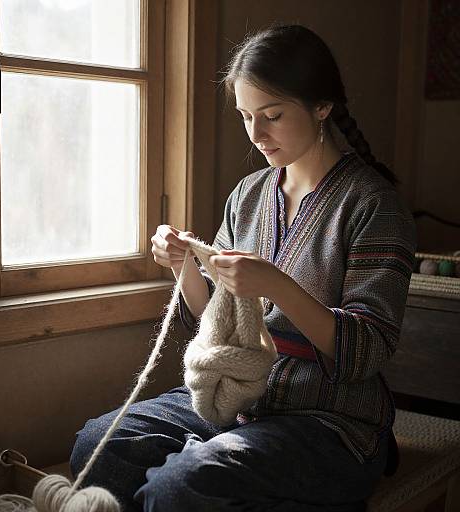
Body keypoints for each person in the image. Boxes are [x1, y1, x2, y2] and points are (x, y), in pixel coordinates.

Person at [70, 24, 416, 511]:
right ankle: (207, 460)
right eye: (246, 117)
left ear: (322, 106)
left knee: (181, 486)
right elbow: (219, 322)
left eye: (272, 116)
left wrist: (276, 284)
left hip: (327, 419)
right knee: (100, 445)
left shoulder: (374, 205)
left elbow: (366, 350)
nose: (256, 134)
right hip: (237, 401)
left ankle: (205, 466)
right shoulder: (249, 194)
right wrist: (183, 268)